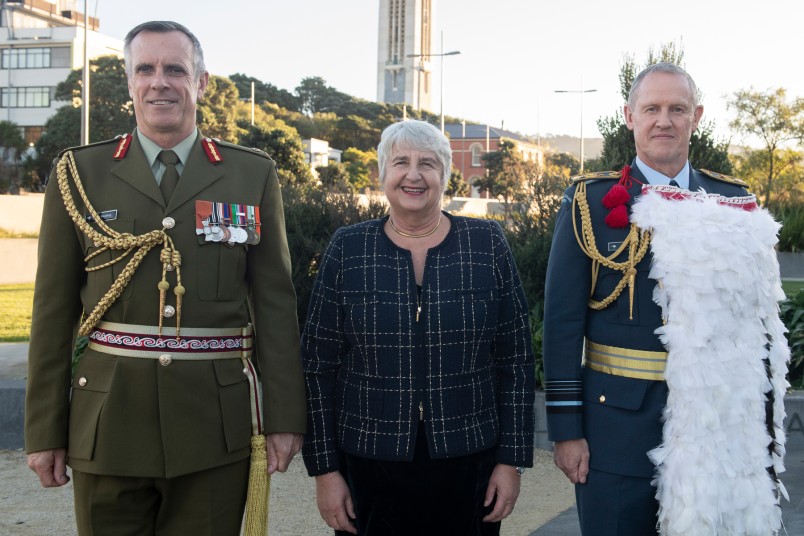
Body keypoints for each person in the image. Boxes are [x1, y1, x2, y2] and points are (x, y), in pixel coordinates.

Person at [24, 21, 306, 535]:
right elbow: (52, 311)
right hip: (107, 422)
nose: (160, 82)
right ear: (129, 83)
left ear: (200, 82)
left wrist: (284, 418)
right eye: (145, 69)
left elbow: (274, 306)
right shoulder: (79, 174)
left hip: (214, 427)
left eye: (175, 69)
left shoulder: (251, 174)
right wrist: (44, 429)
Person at [543, 62, 785, 534]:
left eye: (677, 109)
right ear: (629, 116)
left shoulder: (733, 203)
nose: (664, 120)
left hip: (717, 433)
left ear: (696, 116)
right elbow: (562, 325)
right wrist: (567, 432)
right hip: (618, 432)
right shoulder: (590, 203)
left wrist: (764, 428)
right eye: (651, 108)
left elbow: (755, 324)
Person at [301, 119, 535, 535]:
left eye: (427, 163)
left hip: (470, 464)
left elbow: (515, 359)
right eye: (401, 162)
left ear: (445, 174)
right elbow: (317, 365)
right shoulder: (348, 248)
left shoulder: (486, 244)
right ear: (382, 174)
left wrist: (510, 460)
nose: (413, 174)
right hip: (369, 464)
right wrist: (325, 470)